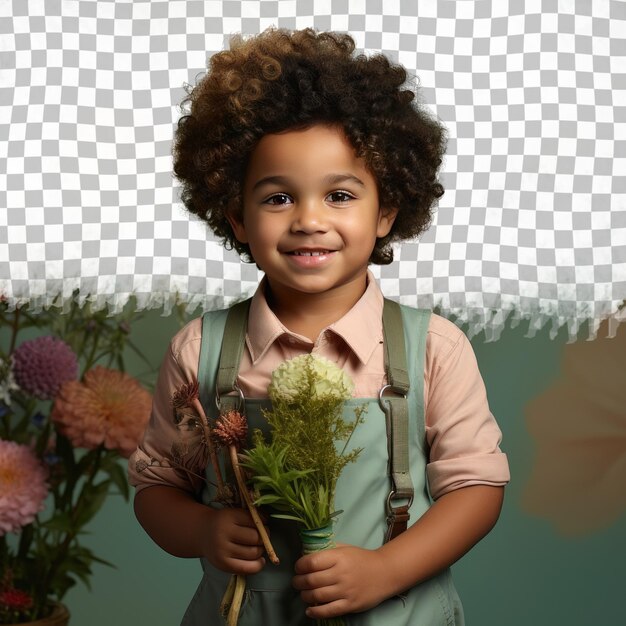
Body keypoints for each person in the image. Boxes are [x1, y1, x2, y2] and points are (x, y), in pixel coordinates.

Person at [128, 27, 510, 625]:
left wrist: (387, 569)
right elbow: (156, 489)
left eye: (339, 195)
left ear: (386, 211)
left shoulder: (433, 346)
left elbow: (477, 491)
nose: (309, 220)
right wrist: (202, 529)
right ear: (237, 216)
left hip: (398, 613)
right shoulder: (200, 349)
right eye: (278, 198)